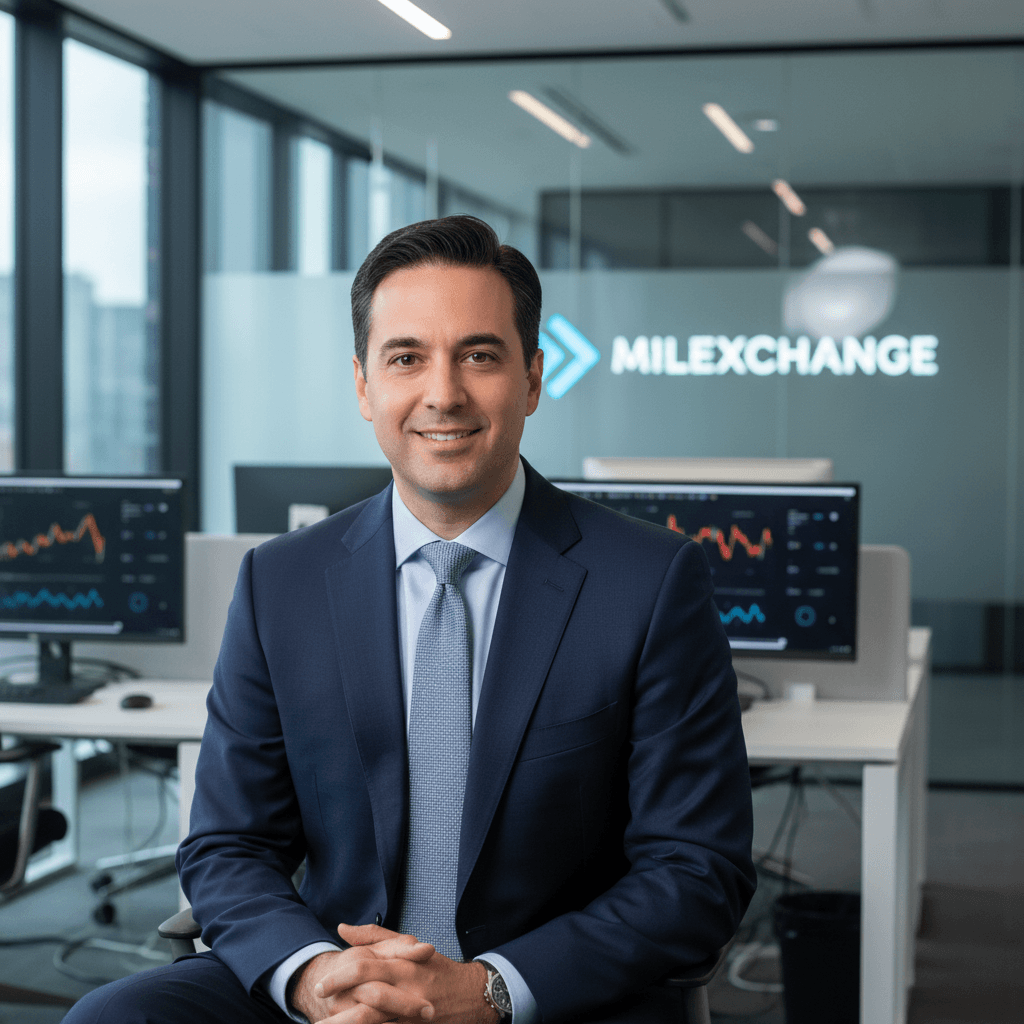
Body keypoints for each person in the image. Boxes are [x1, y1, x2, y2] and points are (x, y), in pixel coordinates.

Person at [65, 216, 755, 1024]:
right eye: (406, 358)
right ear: (364, 386)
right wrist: (314, 977)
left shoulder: (649, 581)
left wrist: (487, 989)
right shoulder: (280, 582)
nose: (444, 393)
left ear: (533, 379)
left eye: (480, 355)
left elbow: (695, 868)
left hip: (545, 997)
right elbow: (229, 845)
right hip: (336, 984)